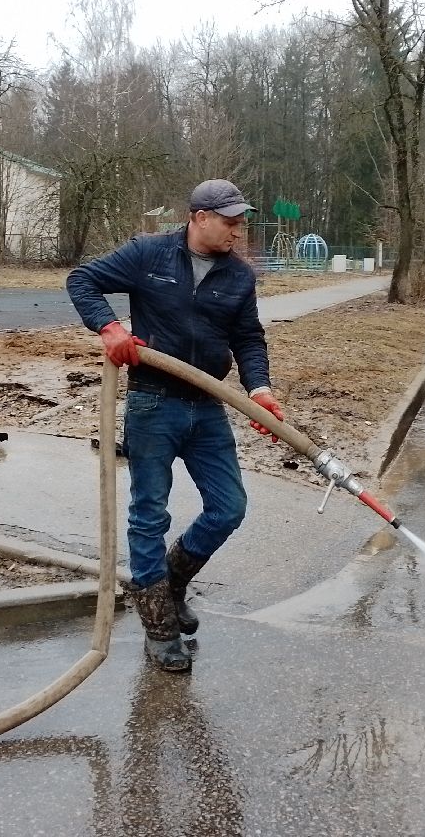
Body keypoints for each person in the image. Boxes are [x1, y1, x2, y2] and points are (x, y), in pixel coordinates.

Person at [66, 179, 285, 673]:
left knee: (228, 508)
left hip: (207, 404)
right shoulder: (150, 254)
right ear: (199, 217)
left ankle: (169, 584)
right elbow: (82, 280)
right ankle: (159, 628)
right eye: (229, 222)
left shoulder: (238, 276)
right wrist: (109, 327)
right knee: (149, 515)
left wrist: (260, 389)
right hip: (153, 403)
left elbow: (249, 337)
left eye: (241, 223)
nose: (238, 231)